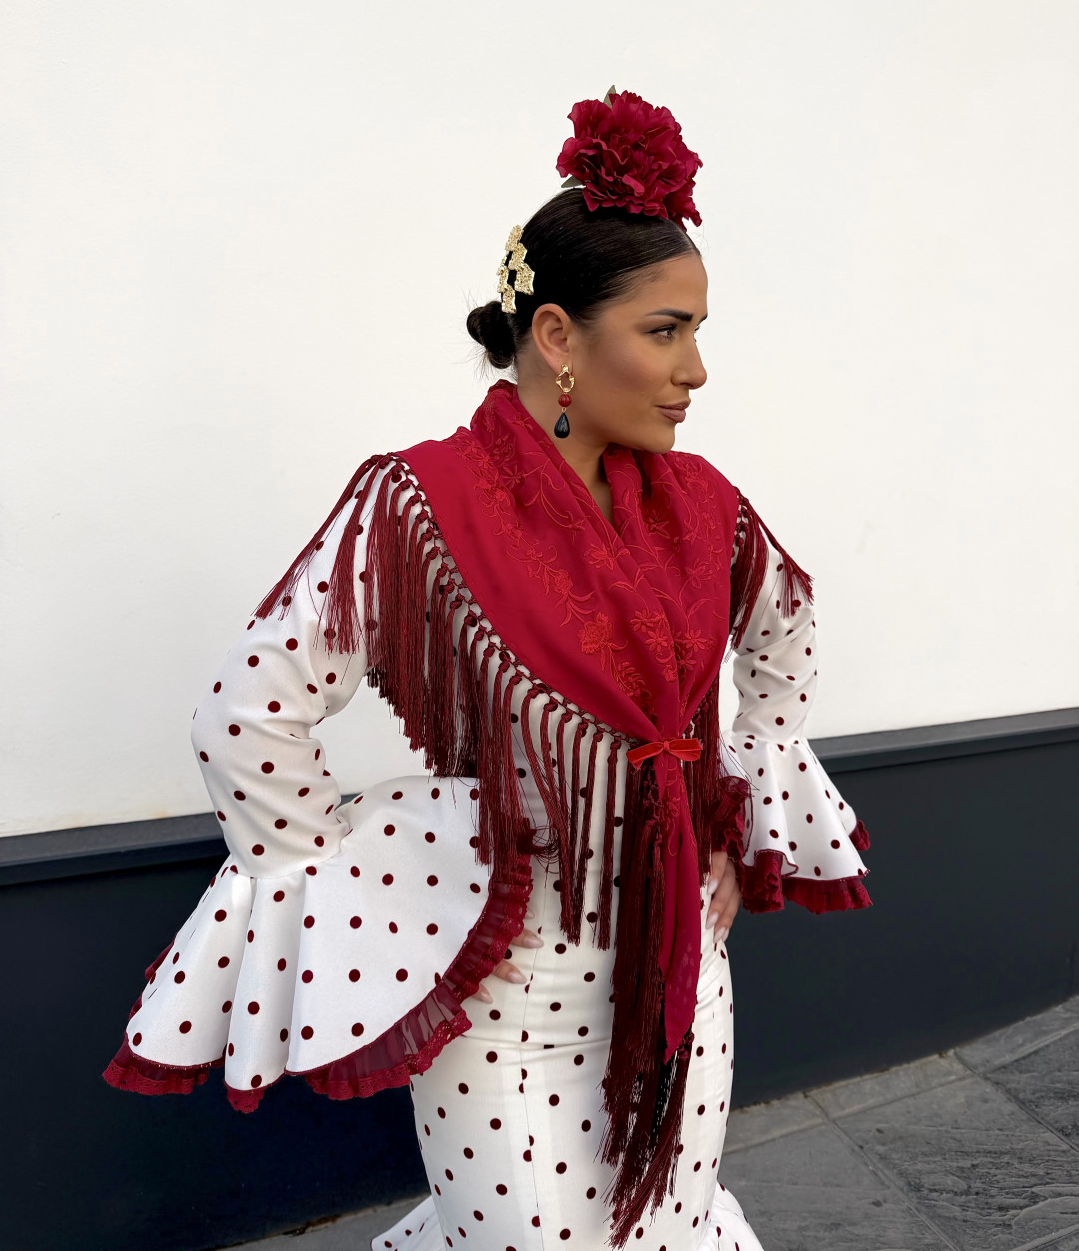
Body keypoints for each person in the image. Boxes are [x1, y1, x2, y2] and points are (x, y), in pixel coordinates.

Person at [103, 88, 872, 1250]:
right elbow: (247, 714)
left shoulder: (702, 505)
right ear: (558, 337)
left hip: (680, 973)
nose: (697, 369)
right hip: (506, 1000)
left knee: (669, 1229)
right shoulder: (421, 505)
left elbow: (786, 631)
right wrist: (380, 878)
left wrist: (730, 813)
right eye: (666, 331)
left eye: (698, 331)